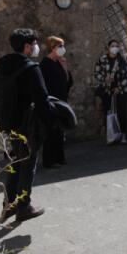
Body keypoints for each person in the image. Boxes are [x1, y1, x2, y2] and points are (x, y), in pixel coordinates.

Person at [0, 28, 57, 222]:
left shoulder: (3, 65)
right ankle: (24, 206)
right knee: (28, 163)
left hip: (9, 122)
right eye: (34, 44)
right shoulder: (31, 68)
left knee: (15, 162)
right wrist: (49, 122)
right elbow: (42, 98)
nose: (36, 47)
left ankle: (8, 205)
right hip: (28, 124)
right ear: (26, 46)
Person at [40, 36, 73, 168]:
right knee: (50, 131)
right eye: (60, 46)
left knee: (60, 130)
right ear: (52, 48)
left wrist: (65, 67)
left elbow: (68, 82)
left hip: (62, 101)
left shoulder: (59, 62)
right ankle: (49, 160)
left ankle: (59, 157)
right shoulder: (45, 64)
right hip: (51, 101)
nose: (63, 49)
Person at [94, 40, 127, 144]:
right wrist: (104, 78)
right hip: (107, 90)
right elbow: (96, 73)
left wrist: (119, 88)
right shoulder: (102, 59)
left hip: (121, 91)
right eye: (112, 46)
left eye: (116, 46)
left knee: (122, 112)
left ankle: (123, 135)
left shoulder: (122, 60)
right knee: (108, 112)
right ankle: (111, 136)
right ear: (108, 47)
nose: (114, 48)